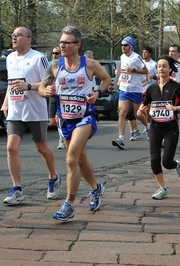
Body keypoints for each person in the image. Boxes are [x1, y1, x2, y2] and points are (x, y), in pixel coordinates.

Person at [39, 26, 111, 221]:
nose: (61, 45)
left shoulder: (90, 64)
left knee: (71, 159)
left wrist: (97, 93)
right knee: (80, 159)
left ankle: (69, 204)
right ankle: (96, 189)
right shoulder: (55, 65)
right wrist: (45, 92)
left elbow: (106, 79)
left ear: (77, 45)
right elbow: (42, 86)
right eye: (60, 42)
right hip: (66, 120)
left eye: (66, 42)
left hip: (86, 118)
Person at [1, 26, 60, 205]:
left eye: (18, 35)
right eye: (12, 35)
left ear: (28, 39)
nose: (14, 38)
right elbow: (11, 84)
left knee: (41, 148)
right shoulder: (9, 58)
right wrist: (6, 102)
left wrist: (28, 86)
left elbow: (47, 83)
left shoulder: (38, 58)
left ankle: (53, 178)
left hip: (35, 110)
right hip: (16, 110)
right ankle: (17, 188)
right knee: (11, 147)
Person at [137, 55, 180, 200]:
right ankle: (162, 188)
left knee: (167, 162)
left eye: (165, 66)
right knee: (154, 159)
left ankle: (177, 165)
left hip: (171, 127)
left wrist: (175, 108)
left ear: (170, 68)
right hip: (155, 126)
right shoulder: (151, 88)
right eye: (159, 66)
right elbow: (145, 103)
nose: (161, 68)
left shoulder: (176, 87)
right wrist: (141, 109)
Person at [111, 36, 149, 149]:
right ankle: (121, 138)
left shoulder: (136, 57)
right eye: (122, 45)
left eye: (125, 45)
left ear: (131, 46)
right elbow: (124, 71)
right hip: (124, 88)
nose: (123, 47)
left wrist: (132, 70)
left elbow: (145, 71)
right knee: (122, 112)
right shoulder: (122, 57)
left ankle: (148, 127)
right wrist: (120, 71)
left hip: (135, 89)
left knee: (138, 113)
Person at [49, 46, 66, 150]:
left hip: (63, 95)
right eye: (53, 53)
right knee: (52, 121)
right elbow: (44, 80)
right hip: (52, 95)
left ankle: (62, 140)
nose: (55, 55)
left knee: (59, 118)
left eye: (57, 53)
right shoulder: (49, 65)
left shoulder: (65, 64)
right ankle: (65, 136)